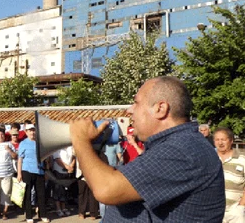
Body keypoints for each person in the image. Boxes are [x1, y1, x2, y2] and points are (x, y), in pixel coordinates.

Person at [69, 76, 225, 222]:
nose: (129, 110)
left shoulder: (182, 150)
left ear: (160, 109)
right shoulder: (178, 145)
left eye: (136, 103)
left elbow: (106, 189)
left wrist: (80, 140)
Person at [17, 124, 50, 223]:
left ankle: (42, 215)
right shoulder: (23, 143)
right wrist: (19, 173)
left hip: (39, 171)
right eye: (30, 131)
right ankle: (29, 216)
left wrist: (46, 171)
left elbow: (45, 158)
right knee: (27, 195)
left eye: (33, 130)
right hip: (27, 170)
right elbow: (20, 159)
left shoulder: (40, 143)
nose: (32, 132)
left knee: (41, 194)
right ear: (26, 132)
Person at [213, 127, 245, 222]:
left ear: (231, 141)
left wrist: (241, 206)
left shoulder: (242, 159)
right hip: (212, 210)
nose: (220, 143)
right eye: (217, 140)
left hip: (235, 211)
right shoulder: (209, 158)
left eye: (223, 139)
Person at [52, 146, 75, 217]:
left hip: (68, 172)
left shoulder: (70, 147)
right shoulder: (57, 148)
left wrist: (71, 166)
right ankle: (58, 208)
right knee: (58, 190)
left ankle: (64, 207)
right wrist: (67, 167)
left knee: (65, 190)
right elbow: (57, 159)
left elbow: (74, 156)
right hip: (58, 171)